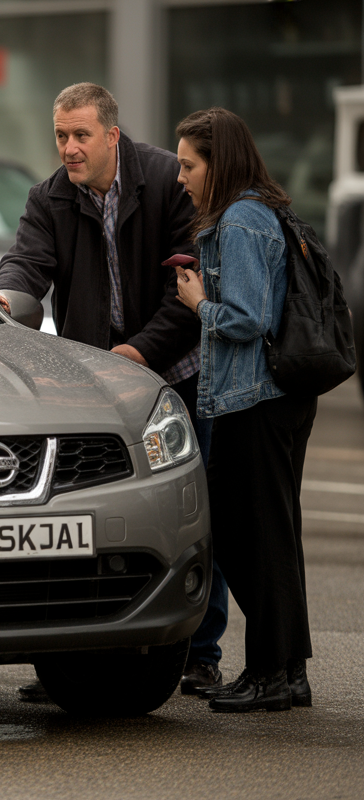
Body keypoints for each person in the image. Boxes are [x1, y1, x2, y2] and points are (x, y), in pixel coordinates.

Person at [0, 82, 229, 701]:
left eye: (81, 135)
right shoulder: (49, 197)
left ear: (112, 135)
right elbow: (26, 264)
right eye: (61, 136)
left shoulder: (167, 180)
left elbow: (190, 286)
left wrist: (140, 354)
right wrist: (5, 299)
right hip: (98, 389)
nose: (69, 148)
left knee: (193, 513)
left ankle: (200, 654)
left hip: (179, 375)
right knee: (78, 522)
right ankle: (73, 656)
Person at [172, 107, 316, 713]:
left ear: (219, 163)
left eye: (189, 166)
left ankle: (270, 674)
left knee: (247, 536)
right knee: (269, 537)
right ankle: (286, 671)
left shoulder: (239, 220)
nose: (182, 177)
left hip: (255, 398)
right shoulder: (262, 211)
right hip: (273, 397)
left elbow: (248, 319)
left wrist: (198, 302)